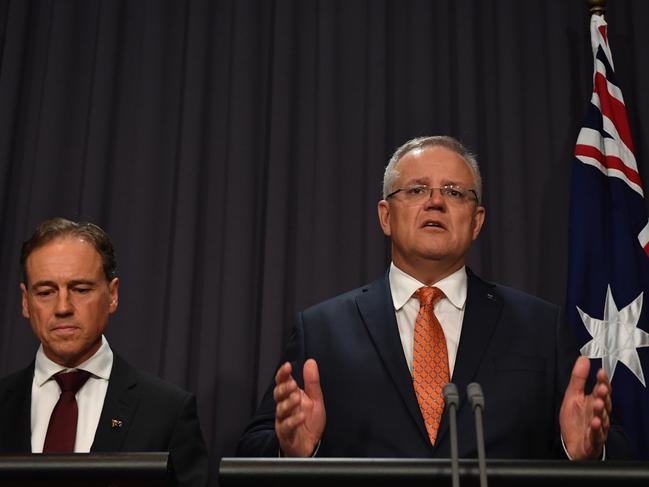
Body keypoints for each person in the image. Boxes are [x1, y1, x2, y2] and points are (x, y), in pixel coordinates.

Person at [237, 135, 630, 460]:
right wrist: (296, 449)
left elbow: (612, 449)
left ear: (476, 221)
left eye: (455, 192)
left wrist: (582, 452)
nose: (436, 201)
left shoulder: (540, 327)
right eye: (416, 189)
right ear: (385, 216)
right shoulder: (321, 331)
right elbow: (251, 451)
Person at [0, 217, 209, 486]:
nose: (63, 307)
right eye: (45, 292)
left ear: (112, 295)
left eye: (80, 289)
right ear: (25, 302)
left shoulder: (166, 412)